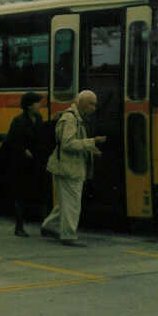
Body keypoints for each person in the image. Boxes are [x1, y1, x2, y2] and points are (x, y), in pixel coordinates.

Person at [41, 90, 105, 246]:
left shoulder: (76, 118)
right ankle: (68, 235)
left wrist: (91, 150)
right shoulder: (70, 119)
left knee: (67, 201)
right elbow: (68, 143)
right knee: (72, 203)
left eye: (95, 104)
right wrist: (92, 142)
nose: (94, 108)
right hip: (68, 168)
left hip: (69, 166)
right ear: (81, 102)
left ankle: (49, 226)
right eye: (91, 103)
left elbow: (74, 142)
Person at [0, 92, 44, 237]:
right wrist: (24, 150)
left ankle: (43, 226)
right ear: (29, 105)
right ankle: (19, 226)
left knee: (36, 192)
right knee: (20, 194)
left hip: (34, 161)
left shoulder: (39, 119)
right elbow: (12, 141)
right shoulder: (19, 121)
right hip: (19, 163)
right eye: (37, 103)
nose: (39, 105)